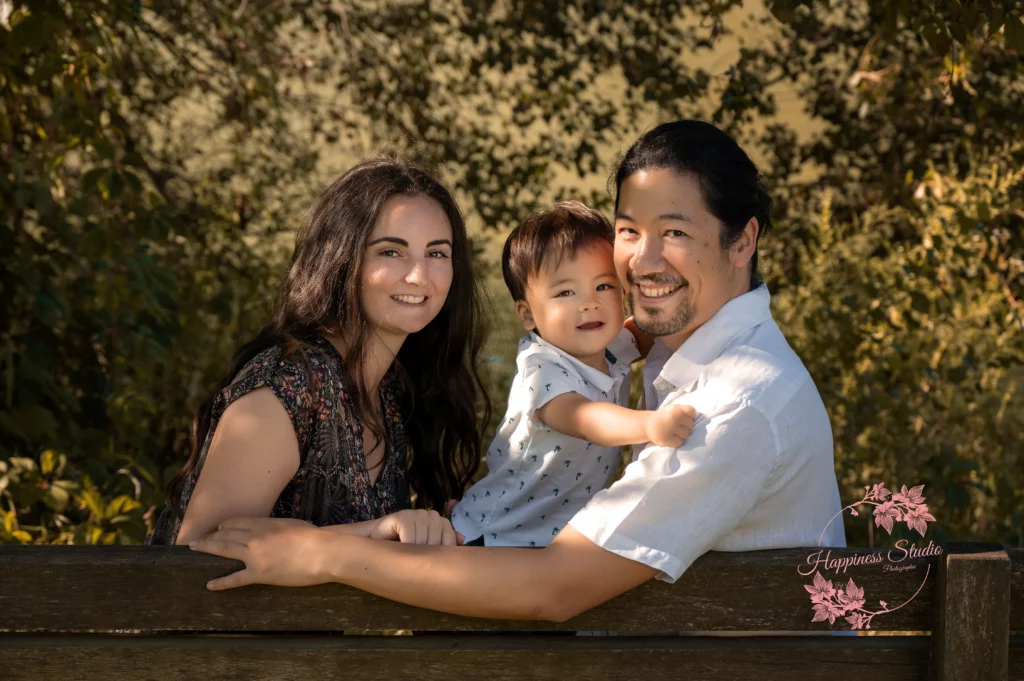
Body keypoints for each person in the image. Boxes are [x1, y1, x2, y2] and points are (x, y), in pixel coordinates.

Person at [190, 120, 847, 623]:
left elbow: (552, 587)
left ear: (744, 239)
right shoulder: (697, 345)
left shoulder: (733, 401)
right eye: (627, 230)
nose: (642, 260)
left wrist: (324, 552)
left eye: (673, 231)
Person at [148, 159, 489, 547]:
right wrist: (371, 533)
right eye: (391, 252)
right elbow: (194, 557)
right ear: (343, 260)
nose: (418, 275)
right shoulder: (287, 386)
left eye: (437, 253)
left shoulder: (392, 393)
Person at [452, 201, 694, 548]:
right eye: (566, 292)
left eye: (604, 286)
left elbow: (649, 329)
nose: (589, 303)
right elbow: (584, 418)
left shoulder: (609, 347)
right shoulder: (542, 369)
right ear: (527, 314)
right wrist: (649, 425)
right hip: (495, 532)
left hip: (551, 535)